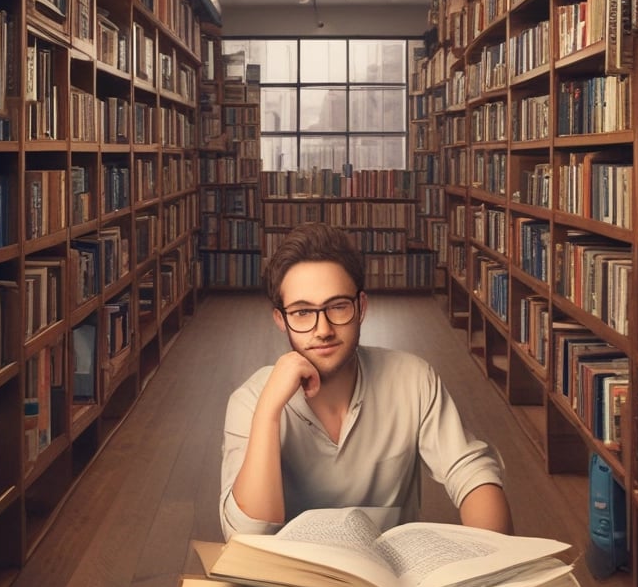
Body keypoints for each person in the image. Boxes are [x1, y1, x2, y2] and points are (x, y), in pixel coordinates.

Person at [220, 222, 513, 540]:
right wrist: (268, 412)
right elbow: (247, 535)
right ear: (281, 320)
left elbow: (473, 473)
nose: (323, 329)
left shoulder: (413, 379)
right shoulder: (250, 401)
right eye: (303, 312)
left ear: (361, 308)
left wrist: (491, 563)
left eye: (337, 307)